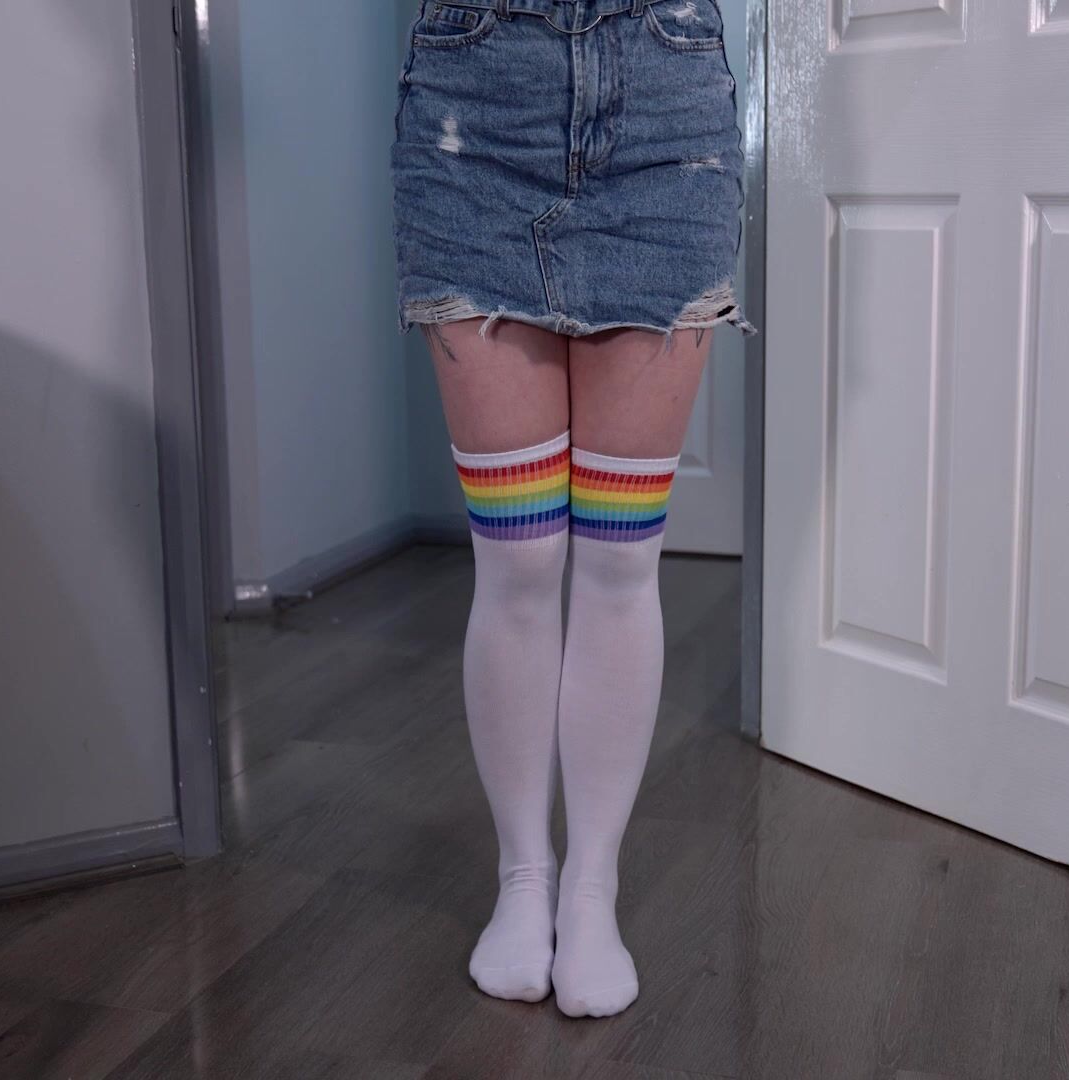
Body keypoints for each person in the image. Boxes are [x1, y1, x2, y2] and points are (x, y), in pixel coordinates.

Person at [390, 0, 750, 1020]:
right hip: (473, 102)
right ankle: (523, 877)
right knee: (516, 559)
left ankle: (592, 887)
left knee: (621, 560)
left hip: (665, 103)